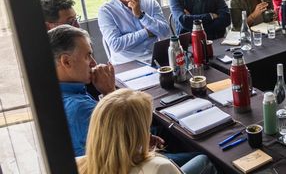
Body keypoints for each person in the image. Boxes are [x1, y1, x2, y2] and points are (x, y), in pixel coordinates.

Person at [77, 89, 216, 174]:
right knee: (203, 160)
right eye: (146, 126)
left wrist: (138, 144)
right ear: (139, 130)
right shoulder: (158, 168)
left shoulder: (76, 163)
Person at [51, 25, 116, 156]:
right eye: (88, 56)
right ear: (66, 62)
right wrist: (110, 92)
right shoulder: (81, 108)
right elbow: (124, 146)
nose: (94, 62)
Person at [98, 0, 169, 65]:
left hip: (155, 59)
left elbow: (165, 31)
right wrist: (146, 32)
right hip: (126, 64)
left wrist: (141, 15)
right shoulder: (106, 11)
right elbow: (115, 45)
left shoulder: (150, 3)